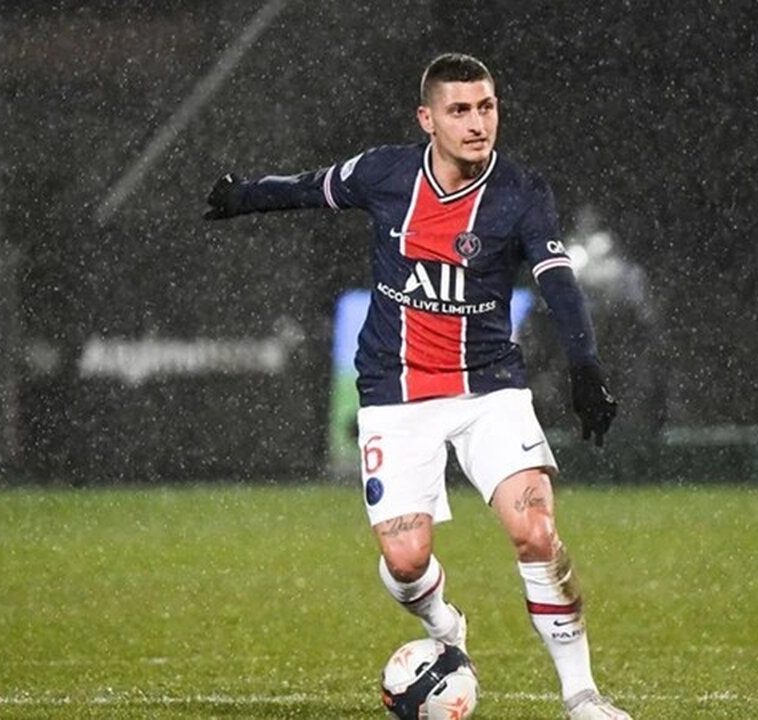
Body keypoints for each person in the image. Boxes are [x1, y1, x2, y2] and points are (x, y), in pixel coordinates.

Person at [204, 52, 630, 720]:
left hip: (489, 390)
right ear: (427, 119)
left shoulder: (521, 190)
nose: (477, 123)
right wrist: (244, 197)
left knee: (536, 532)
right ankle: (444, 627)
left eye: (486, 107)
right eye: (459, 110)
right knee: (406, 561)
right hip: (395, 392)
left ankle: (581, 696)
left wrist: (586, 369)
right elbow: (312, 187)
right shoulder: (387, 173)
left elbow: (558, 282)